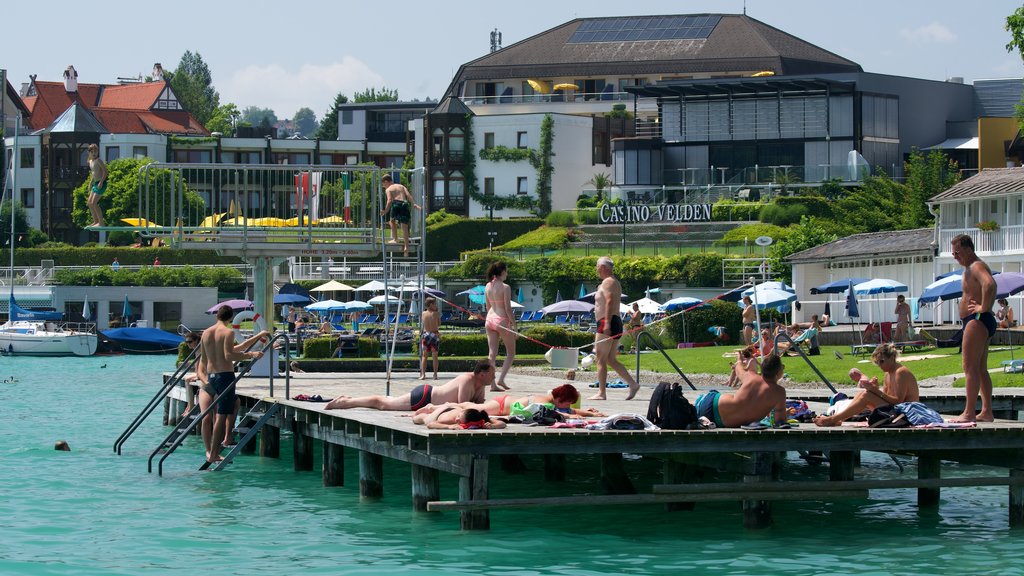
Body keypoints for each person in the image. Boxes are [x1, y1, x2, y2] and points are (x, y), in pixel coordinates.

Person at [199, 305, 269, 463]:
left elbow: (204, 359)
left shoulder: (206, 333)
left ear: (217, 315)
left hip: (212, 376)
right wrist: (251, 354)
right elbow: (229, 355)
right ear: (231, 318)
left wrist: (258, 336)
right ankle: (214, 454)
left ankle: (210, 450)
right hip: (225, 376)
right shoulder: (228, 332)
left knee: (214, 416)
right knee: (221, 416)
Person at [814, 343, 920, 427]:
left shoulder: (900, 372)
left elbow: (898, 402)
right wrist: (875, 389)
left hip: (906, 414)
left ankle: (832, 419)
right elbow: (888, 399)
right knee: (864, 393)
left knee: (866, 396)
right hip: (895, 411)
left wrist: (875, 391)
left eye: (882, 361)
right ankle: (838, 419)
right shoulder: (888, 373)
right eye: (878, 363)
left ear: (892, 357)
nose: (880, 365)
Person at [951, 234, 997, 422]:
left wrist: (983, 307)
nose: (955, 256)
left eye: (957, 252)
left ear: (968, 250)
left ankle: (969, 412)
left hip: (977, 319)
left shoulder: (976, 266)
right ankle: (986, 412)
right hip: (978, 320)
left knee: (969, 367)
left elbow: (990, 284)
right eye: (953, 253)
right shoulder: (969, 268)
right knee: (980, 368)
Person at [325, 360, 493, 411]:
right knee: (383, 404)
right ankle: (345, 402)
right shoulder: (466, 380)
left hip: (429, 396)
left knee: (390, 400)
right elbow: (463, 407)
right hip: (424, 397)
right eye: (492, 374)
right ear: (482, 374)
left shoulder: (480, 385)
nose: (494, 377)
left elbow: (479, 406)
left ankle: (349, 399)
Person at [589, 256, 640, 400]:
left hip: (608, 321)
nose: (597, 270)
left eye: (597, 266)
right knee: (611, 359)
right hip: (614, 321)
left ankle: (601, 393)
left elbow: (610, 301)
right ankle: (632, 384)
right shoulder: (612, 282)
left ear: (604, 267)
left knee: (600, 358)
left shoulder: (608, 282)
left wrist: (606, 323)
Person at [694, 352, 787, 428]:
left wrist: (739, 360)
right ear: (778, 372)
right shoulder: (779, 392)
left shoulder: (751, 377)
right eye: (782, 367)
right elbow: (779, 421)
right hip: (719, 422)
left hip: (710, 404)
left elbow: (738, 369)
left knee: (706, 397)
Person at [484, 261, 516, 391]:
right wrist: (514, 326)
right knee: (511, 353)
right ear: (502, 272)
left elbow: (488, 307)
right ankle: (501, 379)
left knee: (492, 354)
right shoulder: (505, 287)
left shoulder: (487, 286)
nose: (507, 274)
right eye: (506, 271)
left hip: (490, 319)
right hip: (502, 319)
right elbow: (508, 309)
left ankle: (492, 384)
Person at [379, 174, 421, 257]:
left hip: (396, 204)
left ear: (386, 182)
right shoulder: (401, 186)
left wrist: (385, 210)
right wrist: (414, 204)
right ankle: (406, 247)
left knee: (391, 221)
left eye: (383, 184)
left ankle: (395, 239)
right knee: (404, 227)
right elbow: (408, 195)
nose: (383, 186)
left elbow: (390, 200)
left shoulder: (389, 189)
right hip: (405, 204)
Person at [422, 407, 507, 430]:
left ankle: (431, 407)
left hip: (456, 409)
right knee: (420, 418)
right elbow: (430, 424)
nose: (457, 420)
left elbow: (503, 424)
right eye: (458, 417)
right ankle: (430, 407)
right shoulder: (452, 420)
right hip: (441, 412)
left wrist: (493, 426)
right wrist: (448, 426)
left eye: (459, 420)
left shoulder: (479, 419)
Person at [85, 143, 107, 228]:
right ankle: (95, 221)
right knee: (89, 203)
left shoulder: (98, 161)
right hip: (95, 184)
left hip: (101, 183)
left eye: (95, 151)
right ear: (89, 153)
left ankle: (101, 222)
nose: (94, 153)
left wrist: (101, 182)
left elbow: (105, 172)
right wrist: (90, 183)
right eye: (92, 152)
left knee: (94, 203)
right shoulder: (90, 162)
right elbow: (93, 174)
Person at [419, 297, 441, 380]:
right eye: (435, 304)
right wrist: (436, 312)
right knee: (435, 356)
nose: (436, 306)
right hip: (434, 335)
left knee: (425, 356)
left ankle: (423, 374)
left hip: (426, 335)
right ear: (431, 305)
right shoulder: (436, 313)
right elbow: (439, 324)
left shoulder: (423, 313)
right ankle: (435, 374)